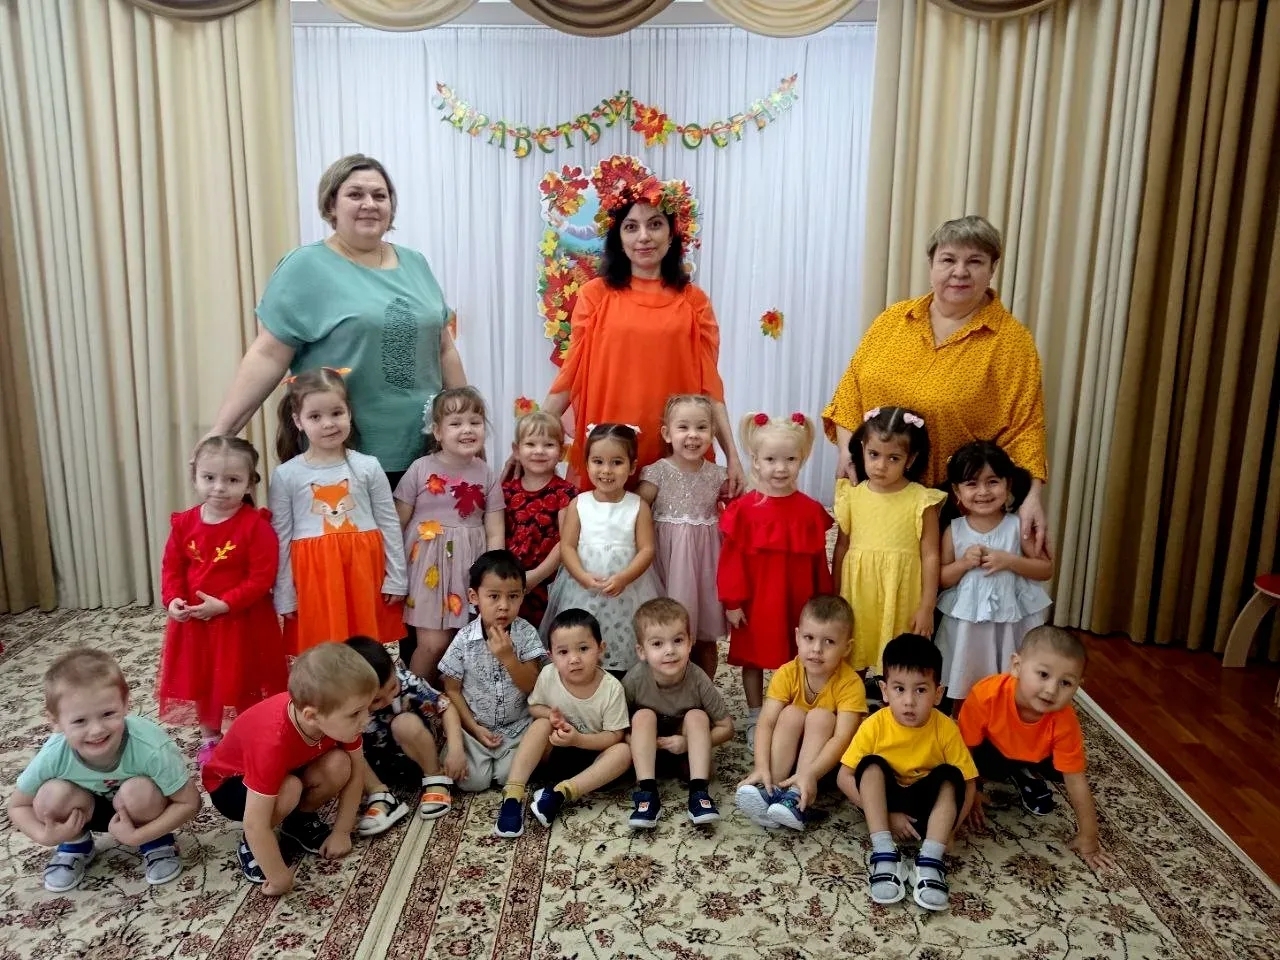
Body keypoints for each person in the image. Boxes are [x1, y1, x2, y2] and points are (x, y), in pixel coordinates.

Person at [206, 153, 466, 490]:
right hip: (340, 458)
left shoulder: (416, 263)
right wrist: (221, 434)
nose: (369, 204)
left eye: (379, 195)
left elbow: (444, 349)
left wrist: (465, 423)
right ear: (331, 205)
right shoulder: (306, 266)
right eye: (355, 194)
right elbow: (267, 355)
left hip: (427, 455)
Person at [822, 215, 1050, 553]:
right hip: (876, 491)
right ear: (931, 265)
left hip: (953, 509)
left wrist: (1032, 497)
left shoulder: (1012, 342)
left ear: (992, 268)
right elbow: (849, 393)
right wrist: (846, 450)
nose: (960, 272)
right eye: (948, 260)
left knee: (931, 588)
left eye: (975, 261)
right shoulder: (892, 320)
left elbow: (1026, 428)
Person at [537, 155, 743, 494]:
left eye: (655, 224)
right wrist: (533, 436)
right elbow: (568, 377)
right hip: (611, 448)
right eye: (631, 227)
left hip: (675, 448)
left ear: (672, 233)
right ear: (618, 238)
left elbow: (710, 389)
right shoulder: (596, 295)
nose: (644, 237)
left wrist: (732, 455)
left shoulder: (694, 301)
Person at [9, 649, 200, 892]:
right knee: (49, 796)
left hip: (140, 807)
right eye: (80, 721)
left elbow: (190, 802)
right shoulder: (54, 753)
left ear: (125, 703)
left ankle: (155, 841)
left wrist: (138, 836)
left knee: (139, 790)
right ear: (55, 721)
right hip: (84, 810)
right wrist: (44, 836)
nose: (97, 730)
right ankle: (75, 845)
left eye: (108, 714)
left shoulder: (150, 747)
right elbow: (17, 806)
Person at [202, 643, 377, 895]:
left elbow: (357, 772)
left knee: (340, 764)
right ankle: (251, 847)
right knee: (290, 789)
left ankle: (298, 822)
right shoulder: (272, 741)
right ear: (311, 716)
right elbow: (254, 823)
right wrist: (279, 878)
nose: (366, 720)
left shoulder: (335, 715)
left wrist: (342, 832)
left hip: (288, 768)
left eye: (367, 708)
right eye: (356, 714)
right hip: (229, 784)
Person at [157, 436, 288, 766]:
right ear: (195, 478)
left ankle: (252, 734)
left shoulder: (255, 526)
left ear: (249, 483)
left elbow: (261, 578)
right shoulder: (184, 524)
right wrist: (173, 600)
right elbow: (172, 567)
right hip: (196, 625)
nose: (219, 487)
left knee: (245, 680)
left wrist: (225, 604)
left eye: (232, 480)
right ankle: (210, 738)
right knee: (204, 680)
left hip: (242, 623)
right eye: (209, 477)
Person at [837, 633, 978, 912]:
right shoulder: (874, 724)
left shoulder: (946, 728)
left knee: (952, 776)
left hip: (928, 810)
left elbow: (969, 784)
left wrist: (951, 830)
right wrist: (887, 816)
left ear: (938, 693)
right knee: (870, 766)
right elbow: (844, 777)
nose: (909, 701)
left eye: (921, 690)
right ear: (884, 690)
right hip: (884, 803)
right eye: (899, 689)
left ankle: (931, 860)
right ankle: (884, 852)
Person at [269, 368, 408, 652]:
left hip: (363, 574)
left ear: (349, 413)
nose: (329, 424)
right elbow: (280, 538)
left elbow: (389, 523)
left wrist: (397, 577)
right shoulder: (286, 475)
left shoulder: (368, 466)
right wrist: (284, 593)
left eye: (336, 413)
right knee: (323, 651)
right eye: (315, 417)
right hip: (314, 579)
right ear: (297, 421)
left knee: (366, 648)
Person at [718, 413, 833, 744]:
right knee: (753, 659)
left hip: (799, 602)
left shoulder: (810, 510)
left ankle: (794, 711)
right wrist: (732, 602)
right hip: (756, 602)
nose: (780, 468)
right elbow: (731, 562)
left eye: (790, 460)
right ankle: (756, 714)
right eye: (771, 460)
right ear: (756, 460)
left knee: (801, 658)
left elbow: (818, 563)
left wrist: (823, 603)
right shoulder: (743, 510)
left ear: (802, 460)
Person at [958, 626, 1115, 870]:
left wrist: (1089, 839)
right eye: (1043, 675)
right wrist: (971, 793)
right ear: (1017, 666)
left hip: (1038, 757)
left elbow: (1076, 780)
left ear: (1078, 686)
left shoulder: (1065, 721)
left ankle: (1027, 775)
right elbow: (964, 751)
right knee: (969, 758)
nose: (1051, 690)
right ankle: (1017, 772)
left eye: (1065, 683)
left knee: (1066, 769)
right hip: (992, 752)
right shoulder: (985, 695)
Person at [396, 387, 505, 679]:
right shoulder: (420, 469)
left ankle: (449, 699)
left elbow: (495, 529)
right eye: (456, 423)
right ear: (437, 432)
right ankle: (413, 697)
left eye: (475, 422)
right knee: (433, 644)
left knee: (463, 646)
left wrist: (494, 573)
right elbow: (397, 522)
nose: (467, 429)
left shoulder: (486, 473)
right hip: (428, 572)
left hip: (470, 569)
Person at [494, 609, 632, 837]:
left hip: (593, 762)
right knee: (540, 725)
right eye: (563, 652)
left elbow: (614, 735)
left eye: (583, 649)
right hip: (555, 753)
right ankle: (513, 795)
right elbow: (534, 707)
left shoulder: (611, 688)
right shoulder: (549, 675)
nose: (574, 659)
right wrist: (550, 715)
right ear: (551, 656)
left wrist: (579, 739)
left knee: (624, 751)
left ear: (601, 648)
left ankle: (560, 793)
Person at [936, 441, 1053, 708]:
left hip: (1011, 623)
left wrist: (1010, 561)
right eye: (972, 484)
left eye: (992, 482)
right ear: (957, 491)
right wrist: (963, 563)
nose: (983, 492)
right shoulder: (954, 530)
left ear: (1007, 484)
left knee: (1011, 682)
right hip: (968, 626)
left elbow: (1045, 569)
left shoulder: (1018, 526)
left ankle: (1008, 719)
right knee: (965, 677)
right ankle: (964, 721)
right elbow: (941, 579)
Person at [735, 595, 866, 832]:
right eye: (809, 638)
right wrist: (761, 766)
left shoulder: (851, 684)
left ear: (846, 647)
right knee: (791, 713)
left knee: (821, 717)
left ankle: (796, 796)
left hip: (825, 767)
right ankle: (771, 787)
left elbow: (842, 739)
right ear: (797, 637)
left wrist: (809, 774)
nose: (816, 649)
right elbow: (766, 722)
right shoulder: (787, 672)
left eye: (829, 642)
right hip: (789, 756)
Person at [832, 407, 945, 678]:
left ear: (910, 459)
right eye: (874, 454)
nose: (881, 466)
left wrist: (927, 606)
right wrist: (836, 594)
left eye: (893, 458)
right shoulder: (852, 495)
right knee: (853, 652)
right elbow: (842, 547)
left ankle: (893, 700)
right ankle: (853, 700)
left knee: (900, 661)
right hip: (859, 593)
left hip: (901, 594)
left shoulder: (922, 499)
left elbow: (931, 555)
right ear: (862, 449)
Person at [541, 424, 661, 677]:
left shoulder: (637, 506)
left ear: (632, 466)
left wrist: (624, 578)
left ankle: (621, 682)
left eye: (616, 462)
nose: (606, 470)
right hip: (583, 589)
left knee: (623, 636)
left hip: (627, 591)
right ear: (587, 464)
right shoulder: (579, 504)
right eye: (598, 461)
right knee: (582, 637)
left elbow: (647, 549)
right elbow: (567, 546)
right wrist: (582, 577)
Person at [438, 551, 546, 793]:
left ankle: (506, 763)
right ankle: (458, 751)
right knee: (472, 781)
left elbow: (532, 685)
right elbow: (451, 691)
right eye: (494, 596)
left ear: (523, 596)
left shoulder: (526, 634)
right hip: (475, 729)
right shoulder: (464, 639)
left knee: (509, 775)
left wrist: (508, 658)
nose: (504, 606)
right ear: (474, 597)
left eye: (513, 596)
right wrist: (473, 728)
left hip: (517, 729)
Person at [637, 394, 727, 680]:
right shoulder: (657, 472)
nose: (693, 435)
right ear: (667, 433)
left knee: (704, 637)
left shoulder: (719, 476)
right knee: (665, 632)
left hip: (705, 565)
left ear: (712, 433)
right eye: (683, 427)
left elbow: (743, 510)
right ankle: (667, 688)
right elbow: (636, 511)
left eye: (701, 427)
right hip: (668, 563)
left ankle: (705, 690)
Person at [624, 598, 734, 829]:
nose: (670, 651)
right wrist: (638, 742)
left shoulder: (698, 678)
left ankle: (699, 793)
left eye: (678, 640)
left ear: (690, 642)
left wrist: (686, 744)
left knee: (697, 716)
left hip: (686, 755)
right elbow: (618, 727)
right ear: (641, 651)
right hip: (647, 756)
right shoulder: (634, 679)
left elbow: (726, 727)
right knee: (642, 716)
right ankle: (647, 794)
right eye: (657, 644)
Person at [344, 636, 465, 836]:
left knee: (404, 723)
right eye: (376, 700)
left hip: (415, 754)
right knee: (344, 743)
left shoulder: (407, 681)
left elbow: (445, 707)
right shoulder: (345, 706)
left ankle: (435, 776)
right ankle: (380, 794)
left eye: (393, 687)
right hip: (374, 768)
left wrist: (456, 749)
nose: (388, 699)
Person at [503, 410, 576, 628]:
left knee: (544, 636)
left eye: (549, 445)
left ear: (562, 452)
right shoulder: (505, 491)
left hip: (548, 581)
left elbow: (567, 541)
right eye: (530, 444)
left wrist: (536, 576)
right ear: (516, 450)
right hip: (509, 580)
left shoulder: (566, 493)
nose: (539, 451)